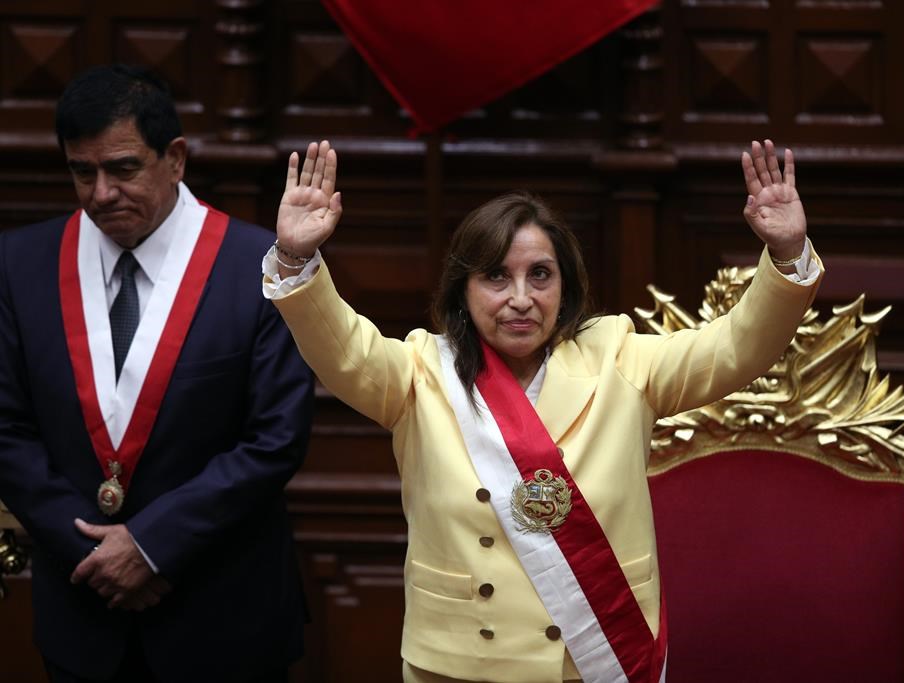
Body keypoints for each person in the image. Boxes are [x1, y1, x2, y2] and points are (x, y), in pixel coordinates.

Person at [264, 139, 822, 683]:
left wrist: (786, 253)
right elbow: (341, 349)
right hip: (462, 664)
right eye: (496, 276)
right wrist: (295, 257)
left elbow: (736, 348)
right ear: (463, 290)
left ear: (566, 284)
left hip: (594, 655)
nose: (521, 298)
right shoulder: (420, 372)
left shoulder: (620, 356)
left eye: (540, 274)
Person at [0, 64, 315, 682]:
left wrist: (149, 546)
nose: (100, 194)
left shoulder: (262, 264)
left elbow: (275, 438)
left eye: (122, 168)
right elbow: (6, 430)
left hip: (223, 615)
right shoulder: (20, 263)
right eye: (80, 171)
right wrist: (97, 553)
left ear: (175, 158)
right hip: (83, 617)